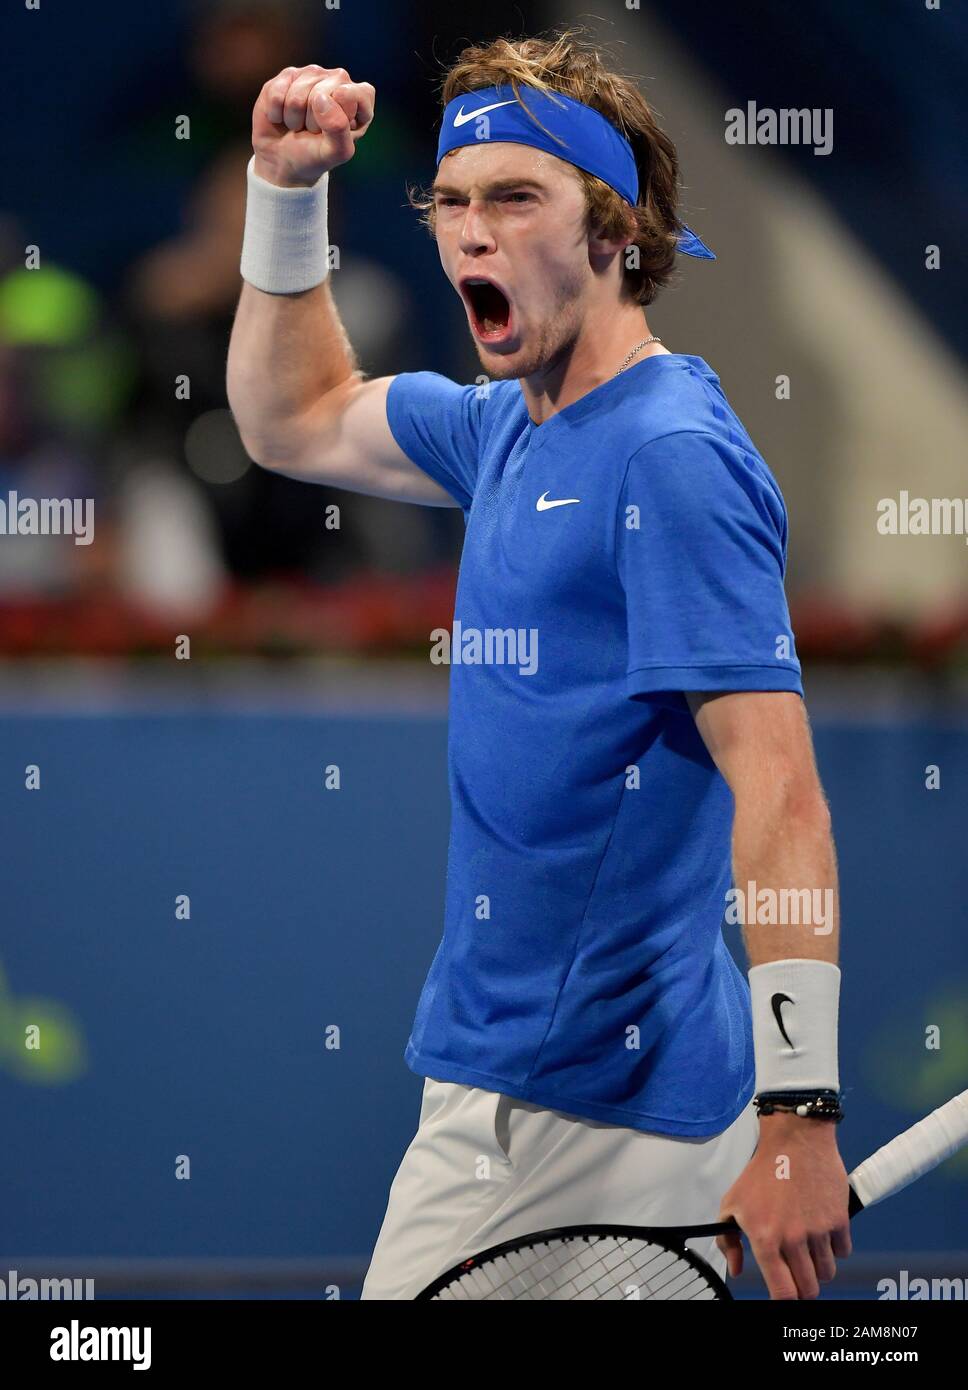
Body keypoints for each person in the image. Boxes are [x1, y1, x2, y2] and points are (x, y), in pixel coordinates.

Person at [226, 30, 851, 1301]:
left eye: (516, 198)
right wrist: (285, 195)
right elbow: (290, 415)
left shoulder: (670, 457)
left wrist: (801, 1113)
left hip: (586, 1113)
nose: (471, 233)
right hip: (511, 1079)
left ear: (614, 231)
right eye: (452, 201)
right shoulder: (507, 427)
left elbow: (777, 793)